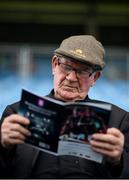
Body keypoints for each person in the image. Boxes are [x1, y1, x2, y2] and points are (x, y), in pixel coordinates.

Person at [0, 35, 129, 178]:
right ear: (55, 65)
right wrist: (3, 145)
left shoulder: (118, 121)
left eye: (82, 71)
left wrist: (118, 160)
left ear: (95, 77)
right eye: (66, 67)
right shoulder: (17, 113)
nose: (71, 78)